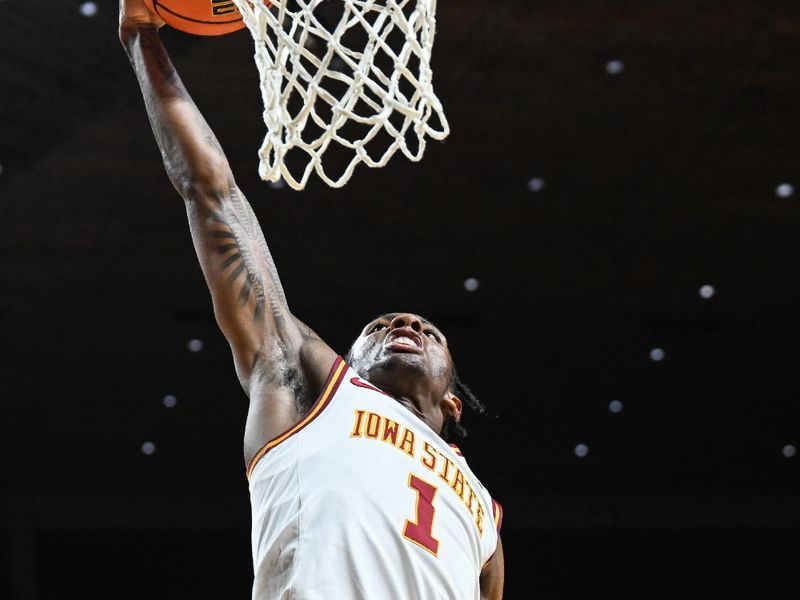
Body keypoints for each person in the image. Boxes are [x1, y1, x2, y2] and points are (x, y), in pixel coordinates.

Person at [118, 1, 504, 597]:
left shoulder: (484, 514)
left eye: (428, 331)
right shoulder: (305, 385)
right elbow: (212, 193)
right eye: (381, 325)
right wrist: (144, 42)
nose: (403, 322)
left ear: (453, 404)